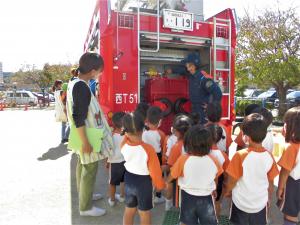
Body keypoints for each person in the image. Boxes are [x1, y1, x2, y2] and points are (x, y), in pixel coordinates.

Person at [66, 52, 114, 217]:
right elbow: (78, 117)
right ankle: (85, 207)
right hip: (87, 134)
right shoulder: (81, 87)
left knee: (82, 164)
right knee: (90, 168)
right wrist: (85, 141)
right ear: (93, 71)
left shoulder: (75, 82)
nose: (100, 74)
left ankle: (84, 195)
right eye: (100, 71)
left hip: (81, 132)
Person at [224, 113, 279, 225]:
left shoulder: (240, 155)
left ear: (246, 137)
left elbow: (232, 180)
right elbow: (271, 182)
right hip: (260, 203)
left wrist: (228, 191)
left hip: (240, 202)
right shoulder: (269, 156)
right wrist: (268, 197)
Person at [166, 125, 222, 225]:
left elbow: (172, 175)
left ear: (188, 143)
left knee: (186, 222)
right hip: (207, 198)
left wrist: (166, 181)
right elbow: (216, 178)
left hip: (188, 197)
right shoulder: (214, 160)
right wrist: (214, 189)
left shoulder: (183, 159)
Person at [120, 112, 165, 225]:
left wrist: (127, 131)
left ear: (126, 131)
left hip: (129, 179)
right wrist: (159, 186)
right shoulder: (148, 149)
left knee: (129, 210)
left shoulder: (123, 144)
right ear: (143, 129)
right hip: (144, 183)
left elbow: (126, 136)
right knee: (144, 213)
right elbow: (155, 172)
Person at [165, 52, 222, 124]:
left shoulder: (204, 78)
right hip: (193, 109)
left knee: (201, 132)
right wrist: (171, 70)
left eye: (190, 66)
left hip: (202, 111)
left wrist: (211, 107)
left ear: (195, 65)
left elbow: (218, 93)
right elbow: (182, 70)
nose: (188, 69)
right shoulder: (191, 75)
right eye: (187, 66)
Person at [277, 107, 300, 225]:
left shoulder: (291, 147)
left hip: (293, 184)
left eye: (285, 123)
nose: (283, 126)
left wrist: (280, 188)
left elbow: (285, 171)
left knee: (290, 215)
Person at [165, 114, 193, 210]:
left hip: (180, 179)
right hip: (194, 177)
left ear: (176, 131)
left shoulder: (177, 147)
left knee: (182, 203)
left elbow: (170, 166)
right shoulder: (195, 142)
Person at [142, 106, 166, 204]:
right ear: (160, 121)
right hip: (157, 156)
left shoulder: (143, 132)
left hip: (146, 155)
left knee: (148, 175)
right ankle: (158, 196)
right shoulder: (160, 133)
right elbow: (163, 145)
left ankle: (147, 194)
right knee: (158, 175)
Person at [205, 123, 230, 217]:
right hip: (218, 183)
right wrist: (226, 185)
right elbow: (227, 174)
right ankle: (217, 221)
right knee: (217, 203)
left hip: (204, 182)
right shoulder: (223, 155)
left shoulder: (201, 152)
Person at [106, 111, 126, 207]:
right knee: (123, 181)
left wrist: (107, 161)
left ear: (113, 124)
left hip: (114, 163)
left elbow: (108, 150)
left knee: (112, 183)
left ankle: (112, 200)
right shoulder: (127, 136)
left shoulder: (111, 136)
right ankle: (122, 196)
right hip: (125, 162)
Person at [52, 79, 69, 144]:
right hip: (64, 109)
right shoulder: (61, 92)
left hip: (59, 110)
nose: (61, 85)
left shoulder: (55, 92)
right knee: (70, 124)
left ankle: (63, 138)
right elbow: (64, 101)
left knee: (63, 125)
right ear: (58, 85)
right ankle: (65, 137)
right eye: (61, 84)